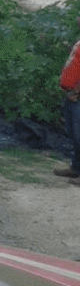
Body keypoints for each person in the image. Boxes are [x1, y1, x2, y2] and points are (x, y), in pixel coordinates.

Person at [57, 14, 80, 182]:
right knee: (74, 133)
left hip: (77, 95)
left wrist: (77, 91)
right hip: (71, 92)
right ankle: (76, 168)